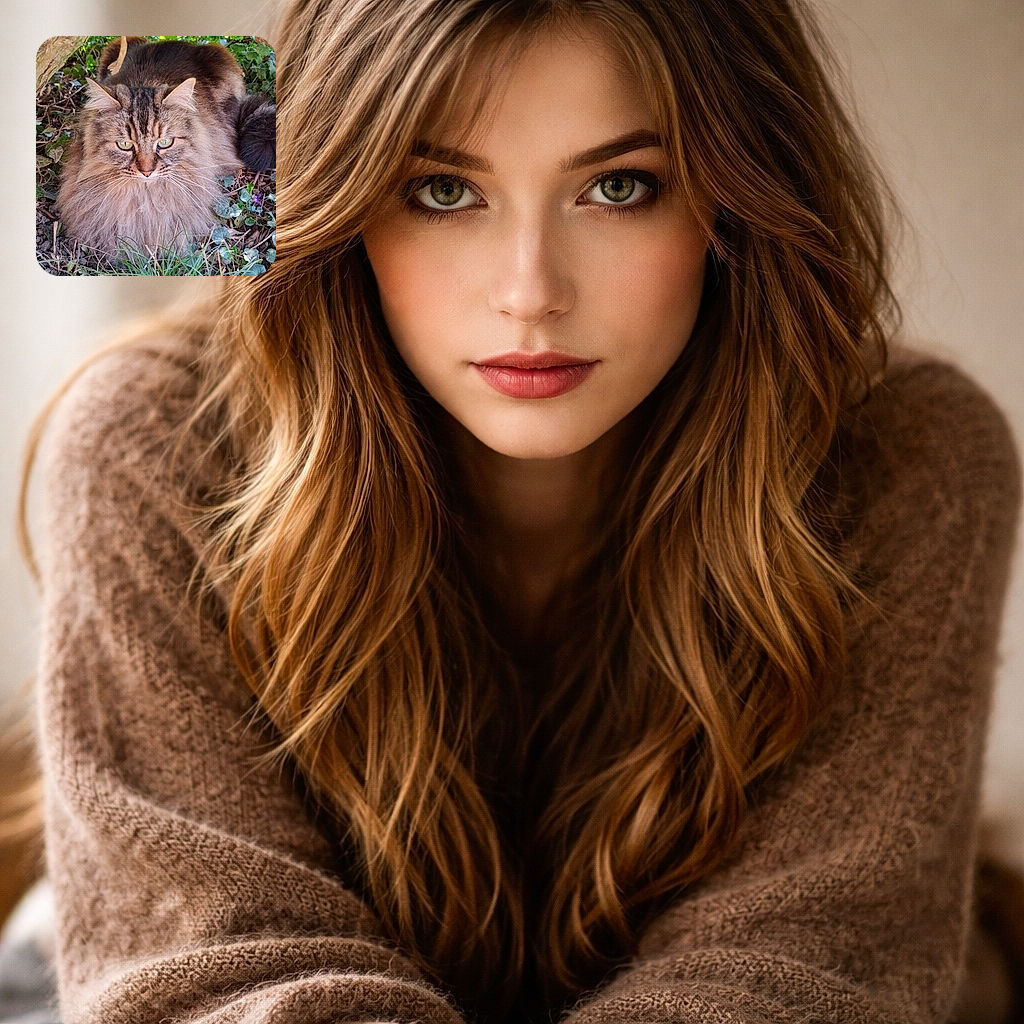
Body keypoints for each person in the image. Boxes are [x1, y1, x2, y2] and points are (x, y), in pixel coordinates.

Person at [7, 0, 1022, 1021]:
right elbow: (216, 976)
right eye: (443, 190)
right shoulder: (150, 441)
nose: (529, 292)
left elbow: (808, 972)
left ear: (740, 202)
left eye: (619, 187)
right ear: (339, 202)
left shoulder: (909, 454)